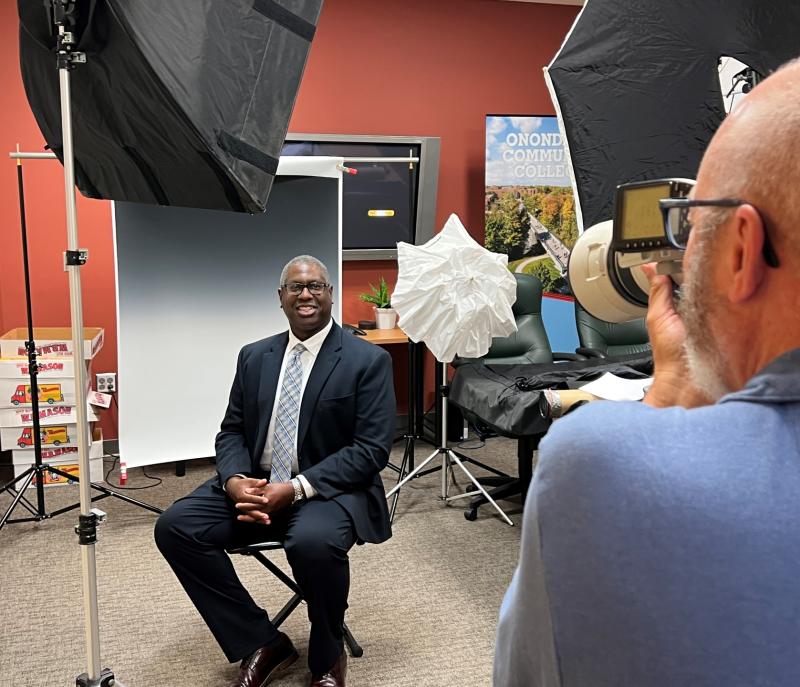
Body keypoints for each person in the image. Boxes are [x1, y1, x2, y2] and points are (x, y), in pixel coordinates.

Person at [494, 59, 800, 686]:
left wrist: (672, 393)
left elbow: (524, 672)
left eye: (697, 225)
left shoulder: (600, 463)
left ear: (743, 249)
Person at [155, 255, 395, 687]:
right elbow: (231, 431)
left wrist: (297, 488)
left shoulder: (366, 360)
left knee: (312, 543)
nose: (306, 294)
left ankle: (326, 657)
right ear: (280, 298)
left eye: (316, 286)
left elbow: (371, 450)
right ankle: (261, 641)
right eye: (296, 287)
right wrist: (233, 483)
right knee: (175, 527)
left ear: (331, 294)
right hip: (257, 484)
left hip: (327, 489)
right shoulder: (254, 356)